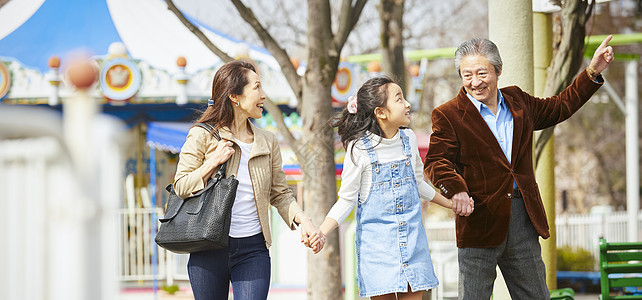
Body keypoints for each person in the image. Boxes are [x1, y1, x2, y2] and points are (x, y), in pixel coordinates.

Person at [424, 35, 614, 299]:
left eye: (482, 73)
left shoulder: (517, 101)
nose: (474, 82)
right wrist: (456, 190)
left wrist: (592, 72)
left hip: (522, 218)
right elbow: (436, 161)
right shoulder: (448, 114)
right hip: (479, 220)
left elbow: (559, 107)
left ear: (498, 71)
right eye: (467, 75)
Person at [173, 60, 322, 300]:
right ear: (234, 96)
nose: (263, 95)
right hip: (208, 246)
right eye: (257, 88)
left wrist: (302, 219)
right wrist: (212, 162)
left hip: (253, 250)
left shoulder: (267, 141)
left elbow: (280, 193)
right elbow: (181, 185)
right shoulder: (202, 134)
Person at [314, 77, 471, 300]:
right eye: (399, 99)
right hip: (378, 251)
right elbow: (346, 200)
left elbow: (418, 186)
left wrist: (450, 204)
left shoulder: (408, 139)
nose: (407, 104)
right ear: (381, 113)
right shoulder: (359, 149)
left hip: (413, 244)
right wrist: (321, 232)